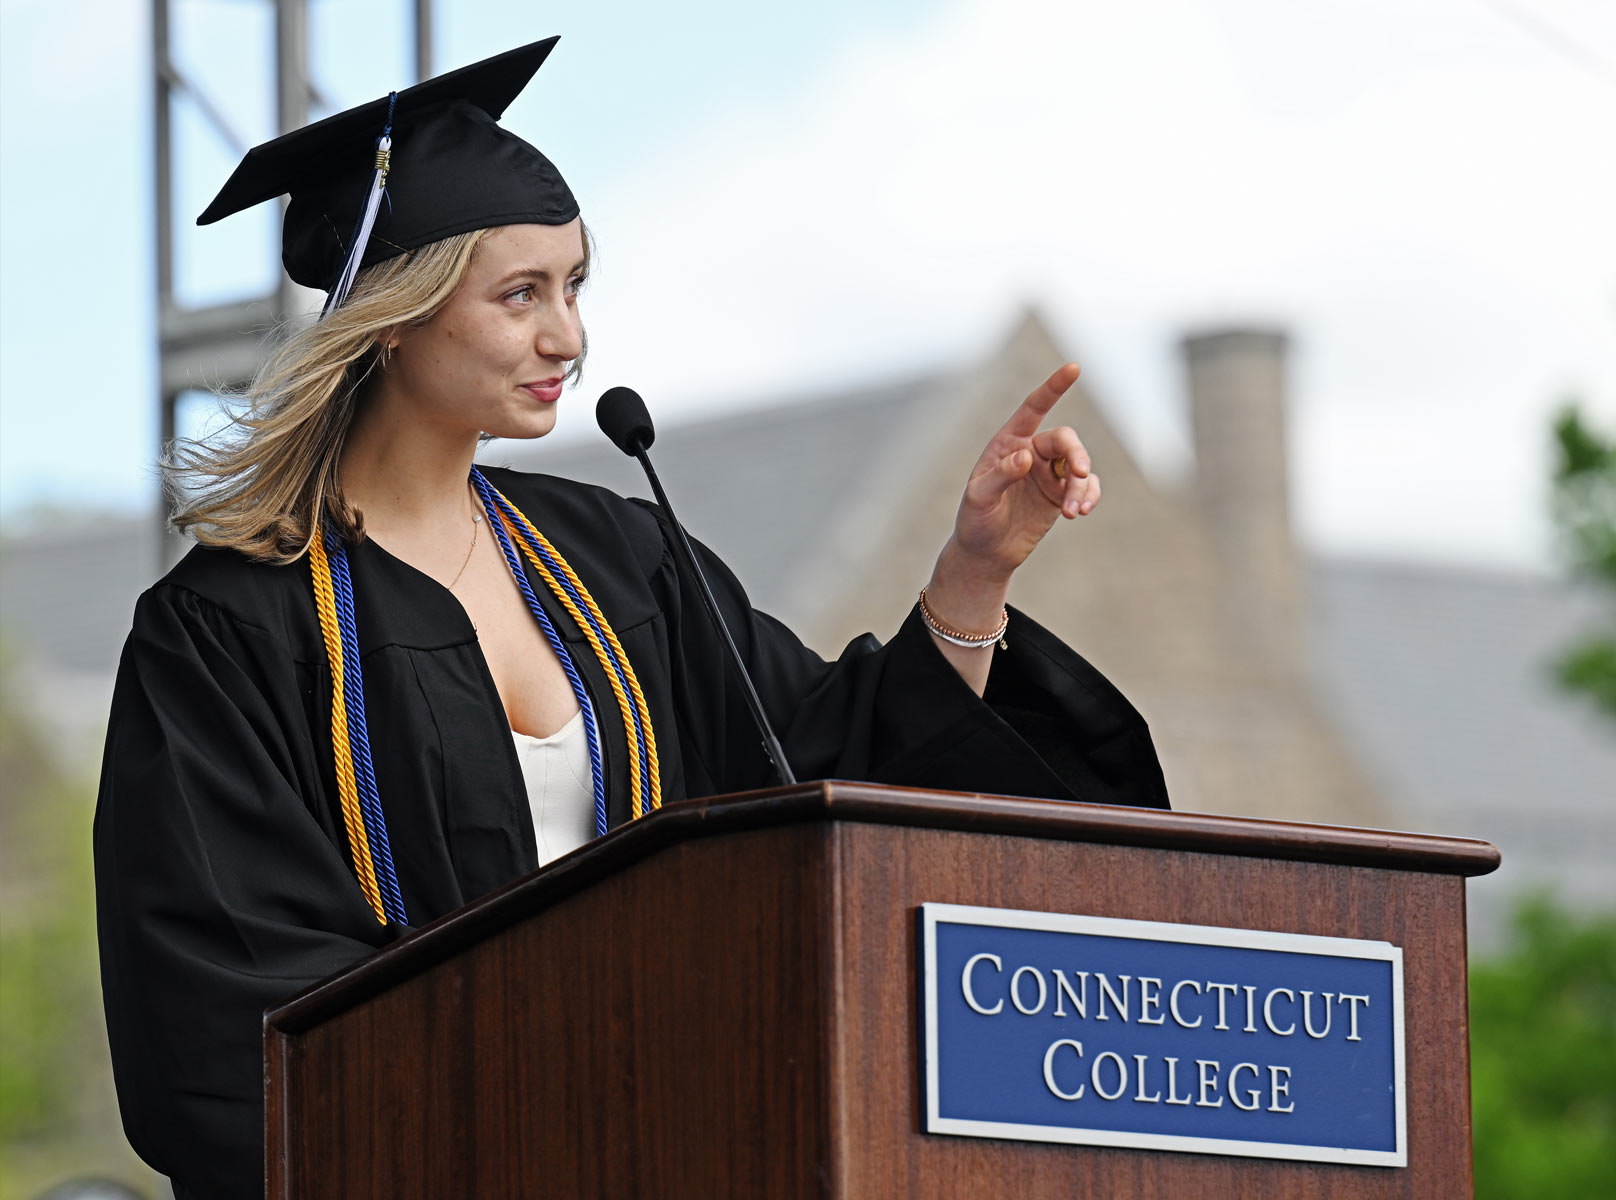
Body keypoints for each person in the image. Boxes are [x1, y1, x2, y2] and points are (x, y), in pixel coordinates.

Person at [93, 37, 1169, 1199]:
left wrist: (970, 573)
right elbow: (230, 1014)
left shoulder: (616, 558)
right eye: (520, 295)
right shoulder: (226, 634)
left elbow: (813, 769)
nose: (568, 338)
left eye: (573, 286)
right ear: (393, 319)